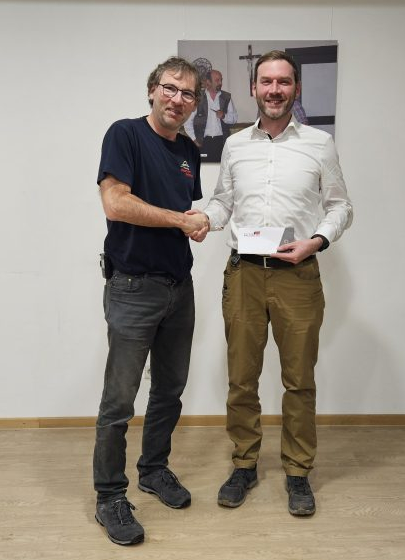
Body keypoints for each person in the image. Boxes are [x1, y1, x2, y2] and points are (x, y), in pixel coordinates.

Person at [189, 50, 352, 517]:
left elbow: (340, 206)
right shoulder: (236, 145)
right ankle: (244, 464)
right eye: (266, 81)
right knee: (241, 378)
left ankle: (298, 472)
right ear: (254, 88)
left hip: (297, 275)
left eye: (283, 81)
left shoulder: (319, 144)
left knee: (299, 380)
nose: (274, 90)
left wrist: (316, 241)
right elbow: (223, 201)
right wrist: (204, 219)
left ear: (294, 88)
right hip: (244, 275)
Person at [93, 56, 209, 546]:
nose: (177, 99)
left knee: (169, 390)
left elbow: (187, 210)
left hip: (179, 287)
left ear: (195, 104)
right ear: (152, 90)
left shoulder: (188, 151)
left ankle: (154, 469)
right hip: (133, 287)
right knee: (120, 400)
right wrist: (182, 221)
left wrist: (198, 222)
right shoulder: (125, 134)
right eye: (170, 88)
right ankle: (109, 496)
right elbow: (115, 203)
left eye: (188, 93)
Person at [184, 69, 237, 162]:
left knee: (221, 169)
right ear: (208, 82)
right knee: (204, 169)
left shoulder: (226, 97)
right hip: (203, 142)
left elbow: (234, 119)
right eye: (217, 80)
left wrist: (224, 116)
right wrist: (194, 140)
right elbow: (187, 122)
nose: (220, 83)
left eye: (221, 80)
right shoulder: (198, 98)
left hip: (222, 142)